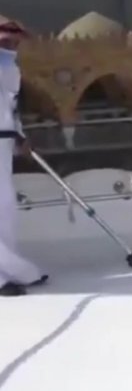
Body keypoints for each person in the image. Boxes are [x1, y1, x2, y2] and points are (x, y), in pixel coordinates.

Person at [0, 20, 46, 297]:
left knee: (5, 210)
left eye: (15, 43)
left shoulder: (9, 69)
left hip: (3, 142)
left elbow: (10, 108)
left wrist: (20, 135)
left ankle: (12, 271)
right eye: (5, 42)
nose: (11, 47)